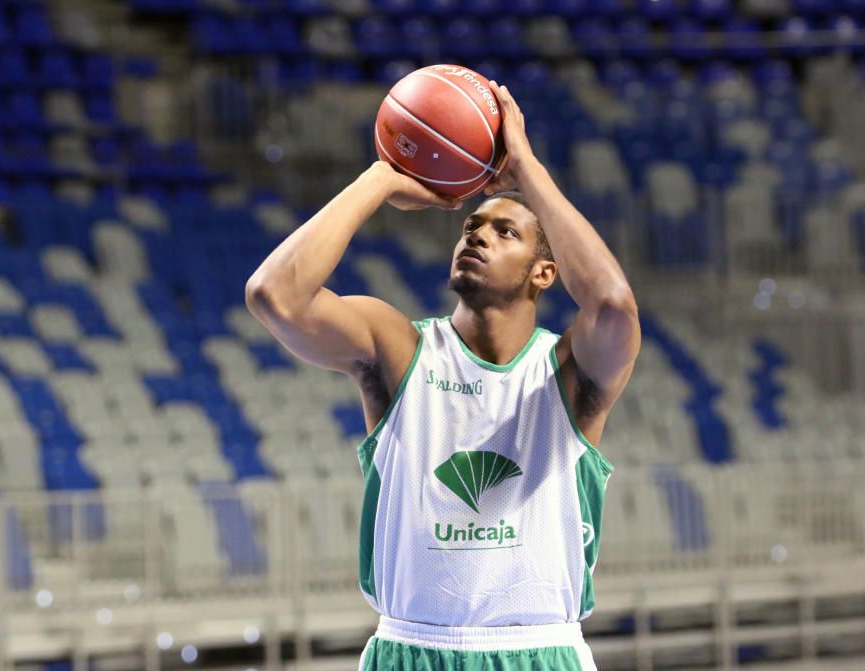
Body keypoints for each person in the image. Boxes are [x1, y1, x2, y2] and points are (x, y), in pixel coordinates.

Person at [246, 81, 640, 671]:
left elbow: (613, 305)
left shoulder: (569, 371)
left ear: (544, 273)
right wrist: (381, 176)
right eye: (469, 226)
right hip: (409, 649)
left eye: (506, 232)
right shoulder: (398, 347)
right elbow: (273, 295)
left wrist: (525, 167)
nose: (478, 234)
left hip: (538, 651)